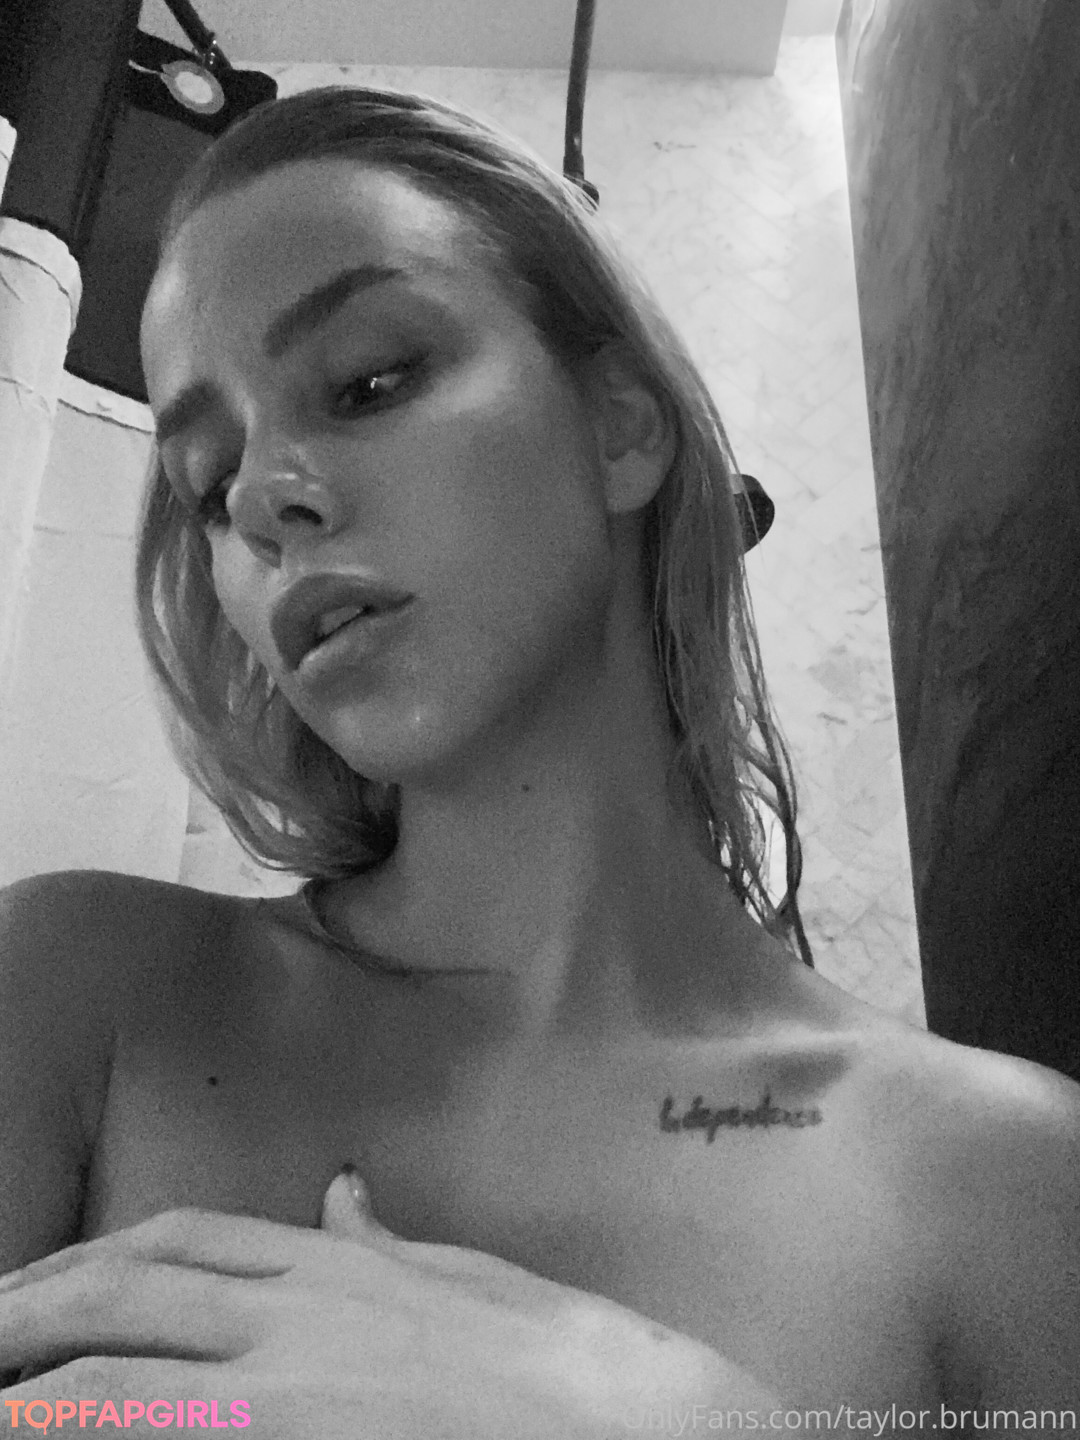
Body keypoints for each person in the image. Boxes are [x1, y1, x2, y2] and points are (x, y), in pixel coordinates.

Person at [1, 85, 1077, 1437]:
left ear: (621, 422)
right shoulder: (71, 998)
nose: (266, 498)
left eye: (368, 381)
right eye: (211, 482)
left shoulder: (1008, 1181)